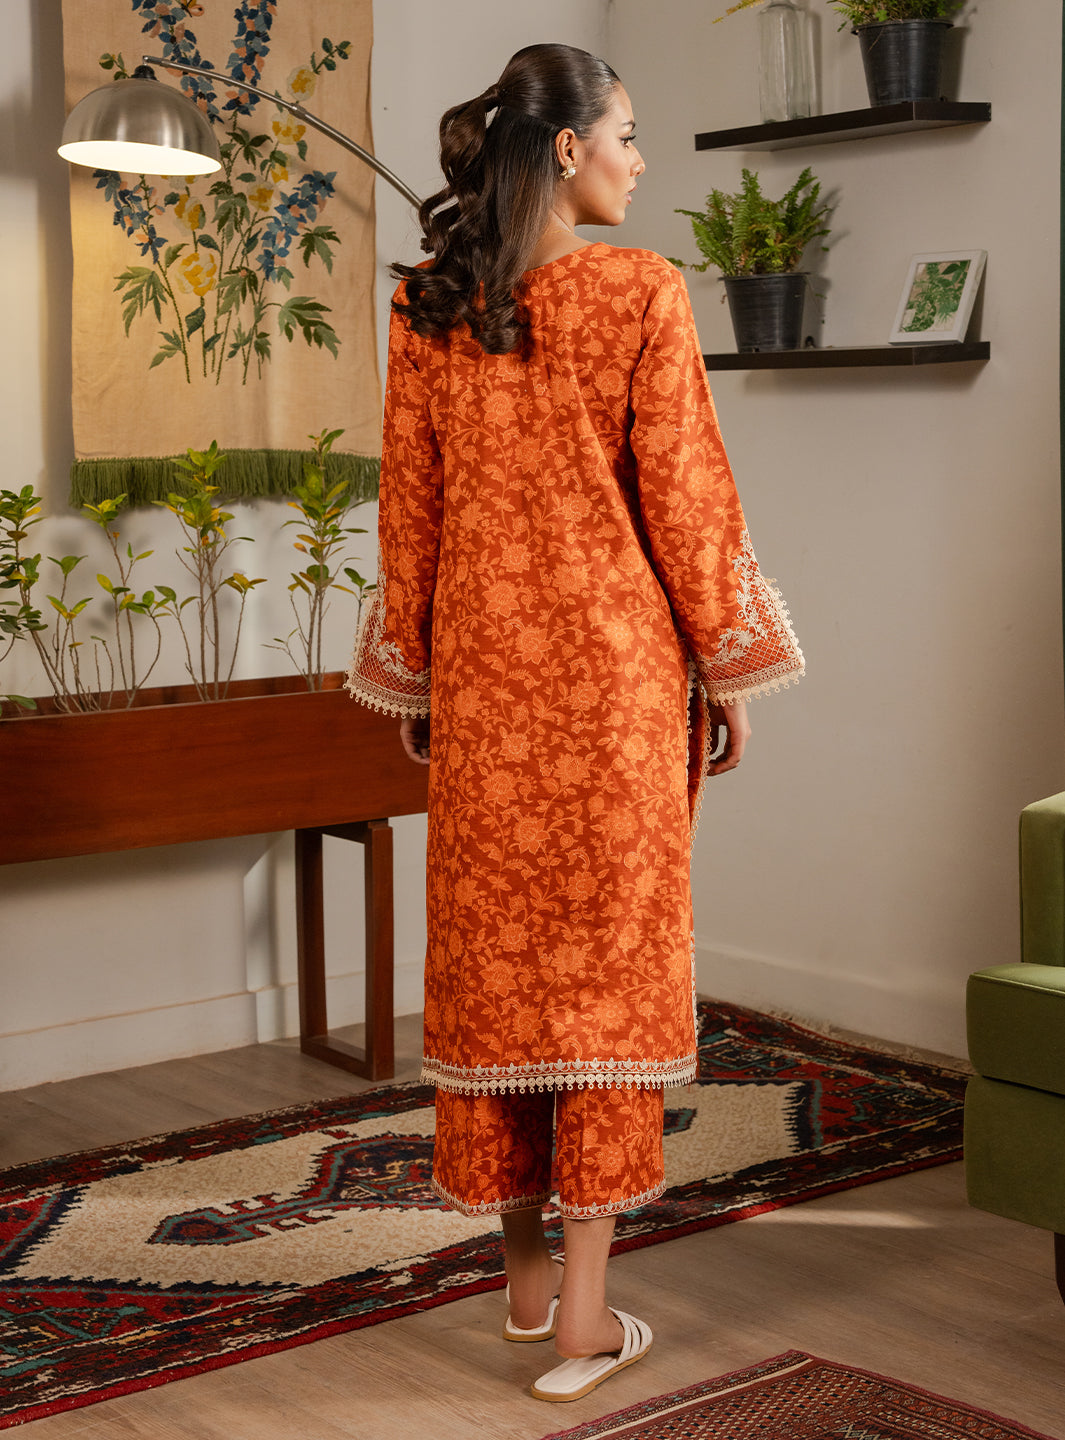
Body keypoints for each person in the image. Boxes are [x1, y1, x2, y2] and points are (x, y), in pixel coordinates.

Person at [347, 42, 804, 1403]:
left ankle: (526, 1288)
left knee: (498, 975)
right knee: (604, 983)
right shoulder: (641, 290)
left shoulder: (429, 305)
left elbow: (410, 514)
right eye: (627, 135)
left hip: (489, 694)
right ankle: (586, 1322)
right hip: (613, 696)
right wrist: (725, 668)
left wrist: (419, 678)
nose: (639, 161)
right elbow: (686, 500)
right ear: (566, 149)